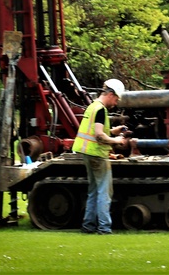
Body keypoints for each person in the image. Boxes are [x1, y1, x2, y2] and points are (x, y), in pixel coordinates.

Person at [72, 78, 128, 234]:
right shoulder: (101, 110)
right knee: (104, 192)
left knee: (94, 191)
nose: (116, 103)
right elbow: (99, 136)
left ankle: (88, 226)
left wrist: (114, 131)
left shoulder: (92, 106)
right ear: (110, 94)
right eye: (116, 99)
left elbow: (97, 131)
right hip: (97, 154)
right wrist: (116, 140)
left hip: (87, 153)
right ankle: (104, 228)